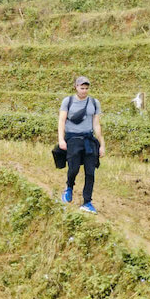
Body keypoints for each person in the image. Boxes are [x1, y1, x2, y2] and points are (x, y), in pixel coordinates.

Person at [58, 76, 105, 214]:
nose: (84, 91)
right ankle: (69, 187)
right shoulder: (68, 101)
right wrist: (61, 139)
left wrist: (101, 144)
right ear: (76, 87)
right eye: (81, 88)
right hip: (73, 139)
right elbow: (61, 121)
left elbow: (96, 125)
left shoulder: (94, 103)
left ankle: (87, 202)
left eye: (86, 88)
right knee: (73, 169)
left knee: (90, 172)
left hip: (89, 140)